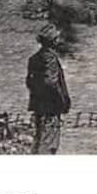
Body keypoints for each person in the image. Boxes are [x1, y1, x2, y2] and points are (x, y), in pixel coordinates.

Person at [26, 23, 71, 154]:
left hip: (38, 106)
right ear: (53, 42)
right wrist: (62, 102)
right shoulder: (50, 59)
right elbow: (51, 82)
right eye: (56, 39)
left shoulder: (33, 58)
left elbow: (29, 82)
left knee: (39, 140)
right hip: (50, 108)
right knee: (49, 144)